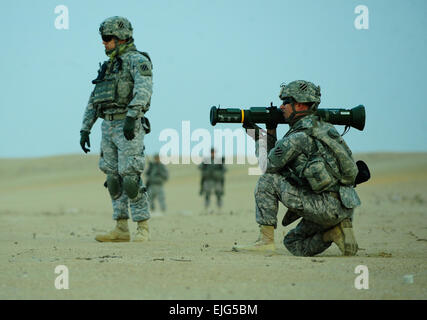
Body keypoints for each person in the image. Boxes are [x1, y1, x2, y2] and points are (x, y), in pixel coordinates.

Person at [233, 80, 361, 256]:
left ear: (300, 104)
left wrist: (259, 135)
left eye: (286, 102)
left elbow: (268, 166)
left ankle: (265, 241)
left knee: (267, 181)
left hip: (323, 206)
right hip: (344, 205)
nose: (282, 106)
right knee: (293, 243)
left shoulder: (298, 137)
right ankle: (335, 232)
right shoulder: (326, 129)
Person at [79, 16, 153, 242]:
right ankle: (121, 228)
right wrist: (85, 128)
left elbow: (143, 90)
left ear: (120, 37)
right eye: (103, 38)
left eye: (107, 38)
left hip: (127, 124)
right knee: (113, 179)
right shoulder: (109, 66)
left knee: (130, 178)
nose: (104, 43)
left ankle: (143, 227)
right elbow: (94, 99)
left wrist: (132, 116)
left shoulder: (137, 61)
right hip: (107, 125)